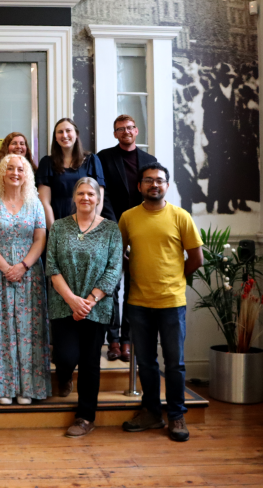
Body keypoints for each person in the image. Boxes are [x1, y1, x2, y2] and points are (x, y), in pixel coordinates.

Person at [119, 162, 204, 443]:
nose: (154, 184)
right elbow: (119, 254)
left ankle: (176, 415)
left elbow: (196, 258)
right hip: (138, 302)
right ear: (140, 185)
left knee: (175, 363)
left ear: (167, 185)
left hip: (171, 302)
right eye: (148, 180)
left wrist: (175, 279)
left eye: (159, 180)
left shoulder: (181, 217)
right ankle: (152, 412)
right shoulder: (128, 218)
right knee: (146, 362)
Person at [46, 177, 123, 438]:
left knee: (90, 362)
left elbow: (114, 269)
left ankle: (85, 417)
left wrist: (89, 300)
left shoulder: (111, 229)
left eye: (91, 194)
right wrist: (72, 300)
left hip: (96, 307)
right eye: (81, 193)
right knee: (66, 356)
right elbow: (52, 267)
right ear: (74, 197)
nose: (86, 198)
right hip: (63, 302)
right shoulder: (58, 227)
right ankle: (64, 375)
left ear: (98, 199)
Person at [0, 154, 51, 405]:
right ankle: (2, 387)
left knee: (29, 329)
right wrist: (6, 267)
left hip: (29, 275)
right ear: (2, 173)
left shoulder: (35, 204)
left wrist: (22, 266)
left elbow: (40, 239)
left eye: (20, 169)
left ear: (26, 174)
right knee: (1, 329)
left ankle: (28, 388)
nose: (15, 173)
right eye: (10, 168)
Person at [98, 114, 158, 362]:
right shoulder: (104, 157)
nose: (126, 131)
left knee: (134, 290)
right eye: (120, 129)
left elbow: (154, 192)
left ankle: (127, 341)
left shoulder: (149, 160)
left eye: (130, 128)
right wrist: (115, 228)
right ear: (115, 134)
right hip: (112, 229)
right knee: (111, 287)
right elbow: (104, 195)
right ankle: (112, 340)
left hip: (142, 231)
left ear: (137, 131)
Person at [37, 118, 106, 229]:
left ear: (76, 134)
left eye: (68, 131)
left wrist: (90, 226)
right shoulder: (47, 163)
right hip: (57, 220)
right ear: (55, 137)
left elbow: (99, 197)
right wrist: (55, 232)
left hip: (85, 220)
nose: (64, 135)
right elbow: (44, 202)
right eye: (60, 132)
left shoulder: (92, 160)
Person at [0, 132, 37, 198]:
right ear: (6, 148)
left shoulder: (36, 174)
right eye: (14, 143)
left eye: (22, 143)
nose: (18, 146)